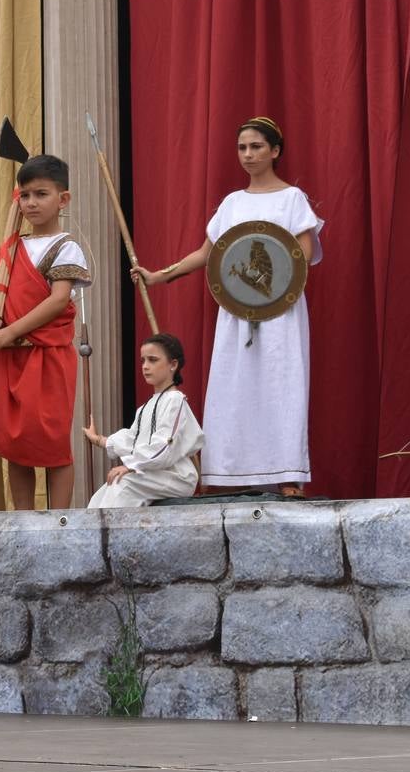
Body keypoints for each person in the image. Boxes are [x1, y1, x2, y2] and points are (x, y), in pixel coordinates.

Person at [133, 117, 322, 496]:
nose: (248, 155)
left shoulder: (292, 199)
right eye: (242, 148)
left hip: (279, 312)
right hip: (237, 311)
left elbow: (299, 256)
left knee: (282, 385)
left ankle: (288, 476)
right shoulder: (233, 203)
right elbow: (208, 253)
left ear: (275, 151)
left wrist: (267, 285)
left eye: (256, 147)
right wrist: (159, 276)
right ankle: (232, 476)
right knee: (235, 388)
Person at [0, 155, 91, 509]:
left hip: (47, 357)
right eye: (24, 195)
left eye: (41, 194)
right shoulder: (12, 248)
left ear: (63, 199)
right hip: (9, 356)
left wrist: (10, 332)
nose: (31, 203)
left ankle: (60, 522)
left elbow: (57, 301)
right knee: (16, 443)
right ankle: (22, 521)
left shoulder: (65, 247)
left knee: (53, 442)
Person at [83, 333, 204, 508]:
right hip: (154, 473)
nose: (145, 366)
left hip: (176, 476)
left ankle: (110, 527)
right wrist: (99, 439)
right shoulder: (145, 407)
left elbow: (164, 445)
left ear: (173, 364)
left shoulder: (175, 401)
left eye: (153, 360)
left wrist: (132, 466)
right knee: (100, 496)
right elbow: (132, 440)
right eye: (143, 361)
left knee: (121, 485)